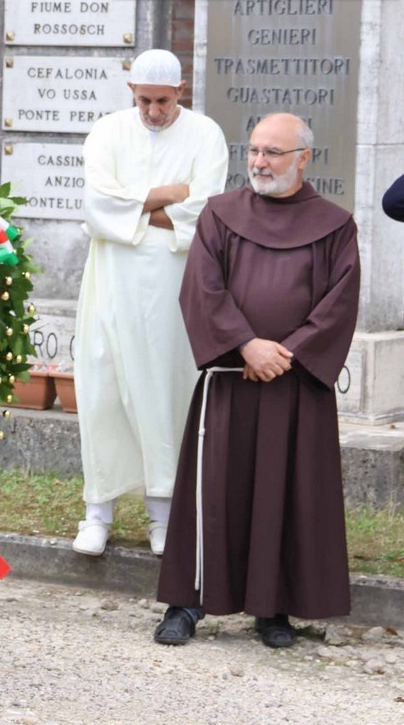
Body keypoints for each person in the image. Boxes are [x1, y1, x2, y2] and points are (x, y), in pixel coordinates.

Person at [153, 113, 359, 649]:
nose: (260, 162)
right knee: (213, 492)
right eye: (255, 151)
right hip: (231, 380)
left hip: (294, 387)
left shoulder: (336, 225)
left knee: (286, 495)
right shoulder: (220, 214)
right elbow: (202, 287)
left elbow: (339, 305)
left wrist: (283, 354)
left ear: (303, 159)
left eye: (273, 153)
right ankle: (187, 601)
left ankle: (273, 609)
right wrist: (246, 344)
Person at [71, 49, 228, 557]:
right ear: (130, 91)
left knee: (164, 389)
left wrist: (134, 208)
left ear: (181, 91)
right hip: (109, 283)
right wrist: (164, 196)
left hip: (172, 286)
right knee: (102, 388)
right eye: (144, 100)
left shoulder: (205, 134)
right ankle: (98, 511)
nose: (153, 111)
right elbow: (96, 205)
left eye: (163, 100)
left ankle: (164, 514)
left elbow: (206, 209)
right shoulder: (107, 131)